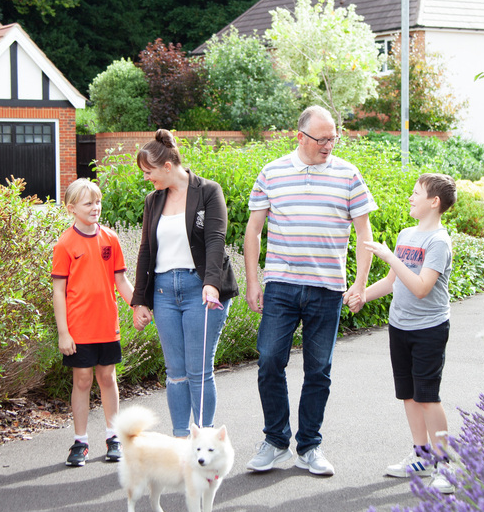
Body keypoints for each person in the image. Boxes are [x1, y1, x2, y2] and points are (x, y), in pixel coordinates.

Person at [243, 105, 376, 477]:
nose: (329, 145)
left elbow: (364, 233)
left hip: (327, 288)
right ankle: (274, 441)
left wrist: (360, 283)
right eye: (322, 138)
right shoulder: (272, 172)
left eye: (334, 137)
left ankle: (310, 446)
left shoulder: (349, 175)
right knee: (269, 361)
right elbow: (253, 231)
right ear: (300, 136)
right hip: (282, 285)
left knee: (319, 370)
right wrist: (254, 281)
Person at [351, 173, 458, 494]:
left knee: (428, 397)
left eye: (416, 193)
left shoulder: (439, 241)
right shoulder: (406, 234)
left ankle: (444, 466)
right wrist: (361, 295)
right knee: (409, 395)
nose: (410, 198)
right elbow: (393, 282)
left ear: (434, 202)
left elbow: (422, 287)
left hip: (430, 329)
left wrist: (390, 257)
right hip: (400, 326)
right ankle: (421, 455)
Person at [130, 129, 239, 437]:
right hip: (164, 292)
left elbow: (216, 238)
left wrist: (212, 283)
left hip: (200, 290)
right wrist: (140, 300)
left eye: (149, 172)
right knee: (176, 373)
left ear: (167, 166)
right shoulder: (154, 200)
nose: (147, 178)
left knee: (198, 371)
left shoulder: (208, 191)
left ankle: (204, 441)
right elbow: (146, 249)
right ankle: (180, 440)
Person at [52, 178, 134, 467]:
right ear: (72, 208)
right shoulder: (65, 243)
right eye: (88, 203)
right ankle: (80, 441)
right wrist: (64, 332)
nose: (95, 207)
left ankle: (114, 437)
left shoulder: (111, 238)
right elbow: (58, 292)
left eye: (97, 202)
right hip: (79, 327)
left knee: (108, 377)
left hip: (106, 324)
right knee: (83, 380)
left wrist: (138, 306)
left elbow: (121, 281)